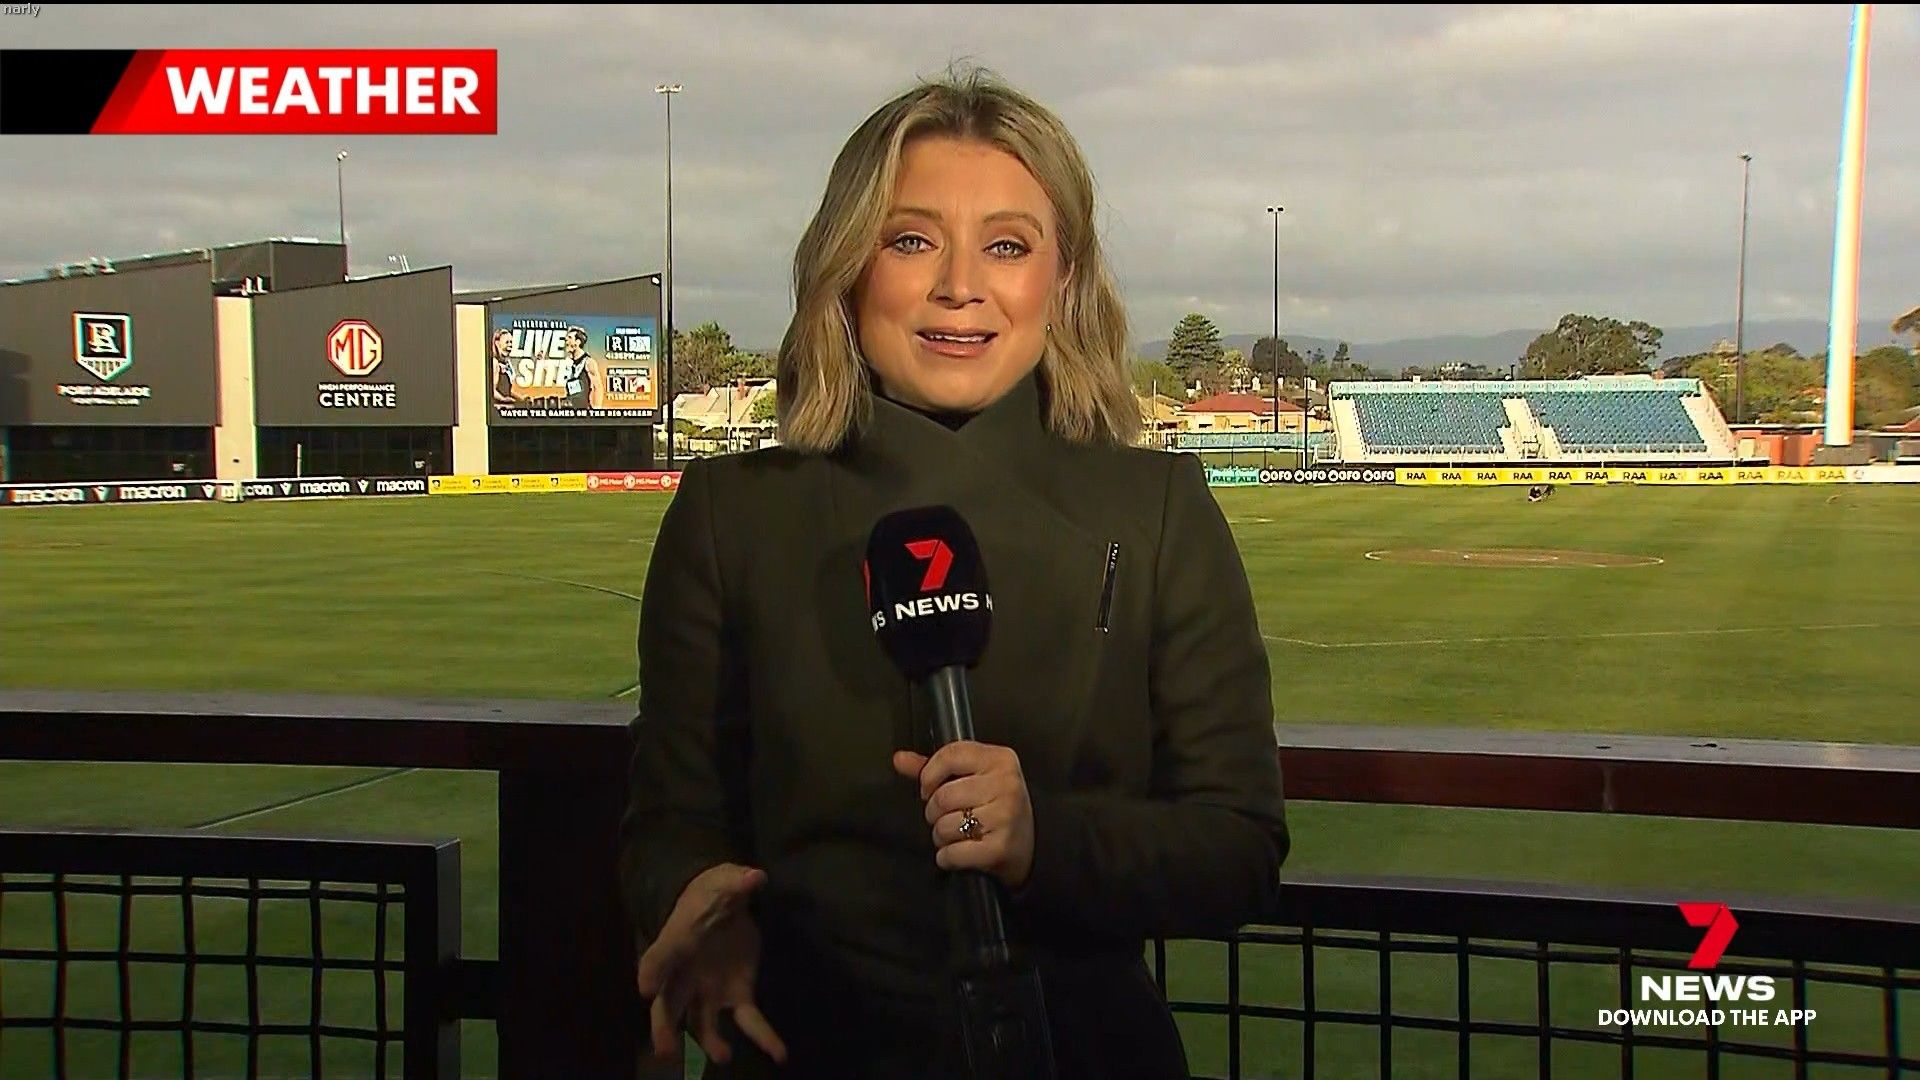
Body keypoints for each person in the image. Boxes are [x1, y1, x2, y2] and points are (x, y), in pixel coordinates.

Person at [617, 66, 1290, 1080]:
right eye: (911, 240)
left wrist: (1044, 840)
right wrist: (695, 902)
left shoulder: (1157, 510)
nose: (959, 286)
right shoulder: (731, 514)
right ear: (847, 266)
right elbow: (669, 817)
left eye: (1007, 246)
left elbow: (1239, 849)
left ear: (1062, 278)